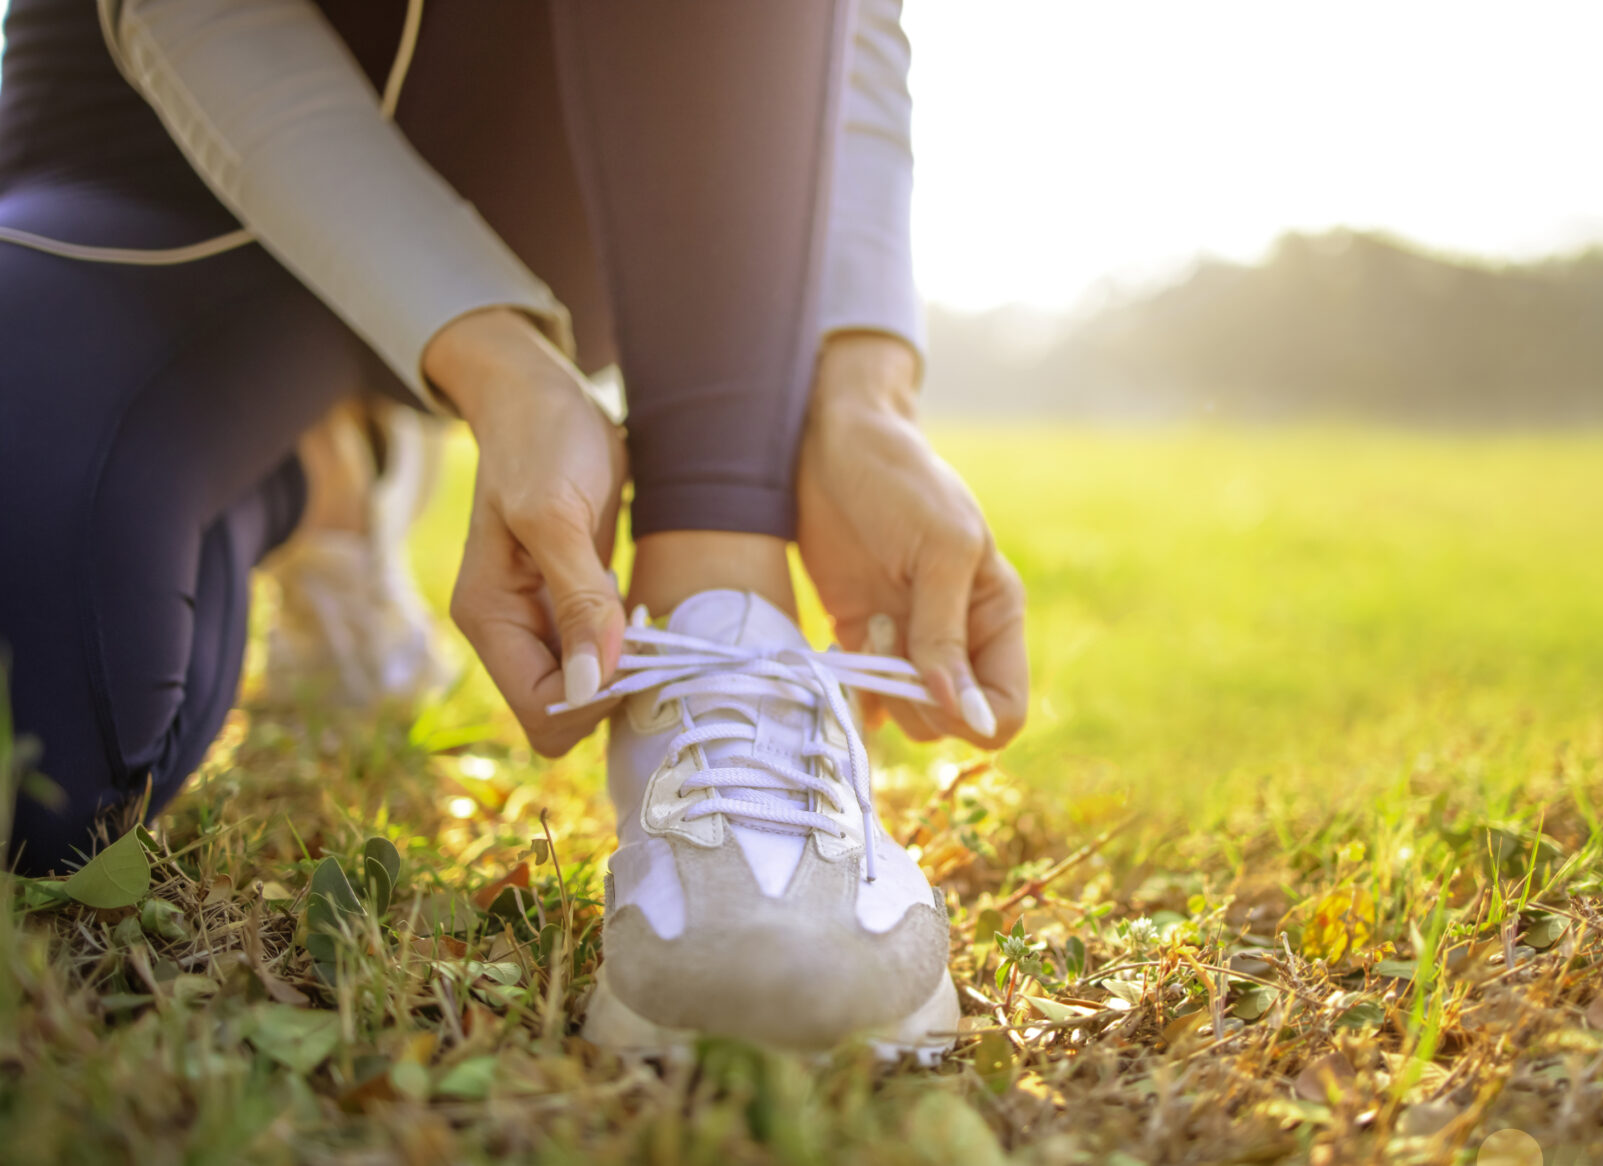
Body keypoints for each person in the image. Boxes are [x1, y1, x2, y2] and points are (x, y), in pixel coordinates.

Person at [0, 0, 1027, 1060]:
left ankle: (721, 608)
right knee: (29, 764)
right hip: (156, 174)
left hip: (584, 169)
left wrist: (864, 389)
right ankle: (324, 471)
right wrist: (500, 368)